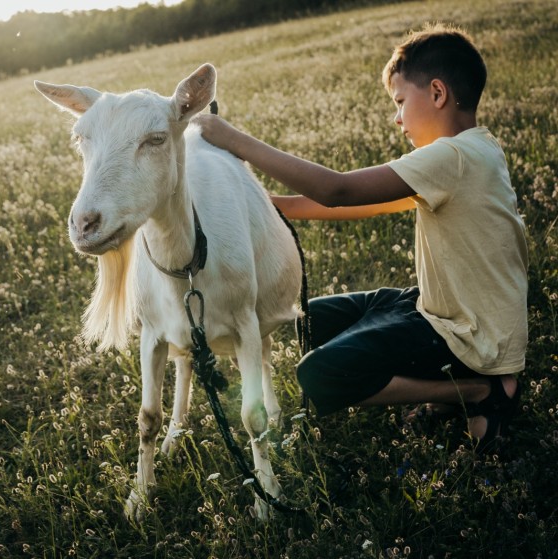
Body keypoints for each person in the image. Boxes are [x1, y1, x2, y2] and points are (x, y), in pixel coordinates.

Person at [193, 23, 527, 453]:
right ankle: (452, 381)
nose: (397, 117)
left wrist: (233, 140)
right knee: (306, 322)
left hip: (470, 335)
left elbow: (338, 190)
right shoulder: (473, 151)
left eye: (401, 102)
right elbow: (355, 204)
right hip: (439, 308)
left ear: (438, 94)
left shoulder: (454, 157)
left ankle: (476, 391)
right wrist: (255, 203)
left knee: (320, 375)